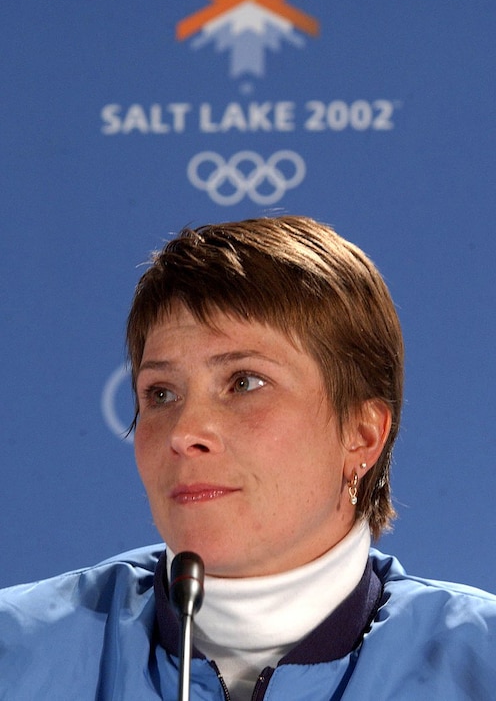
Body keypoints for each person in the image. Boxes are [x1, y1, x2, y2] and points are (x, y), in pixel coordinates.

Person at [0, 215, 495, 700]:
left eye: (244, 382)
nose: (185, 432)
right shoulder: (14, 650)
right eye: (161, 394)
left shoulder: (481, 660)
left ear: (362, 435)